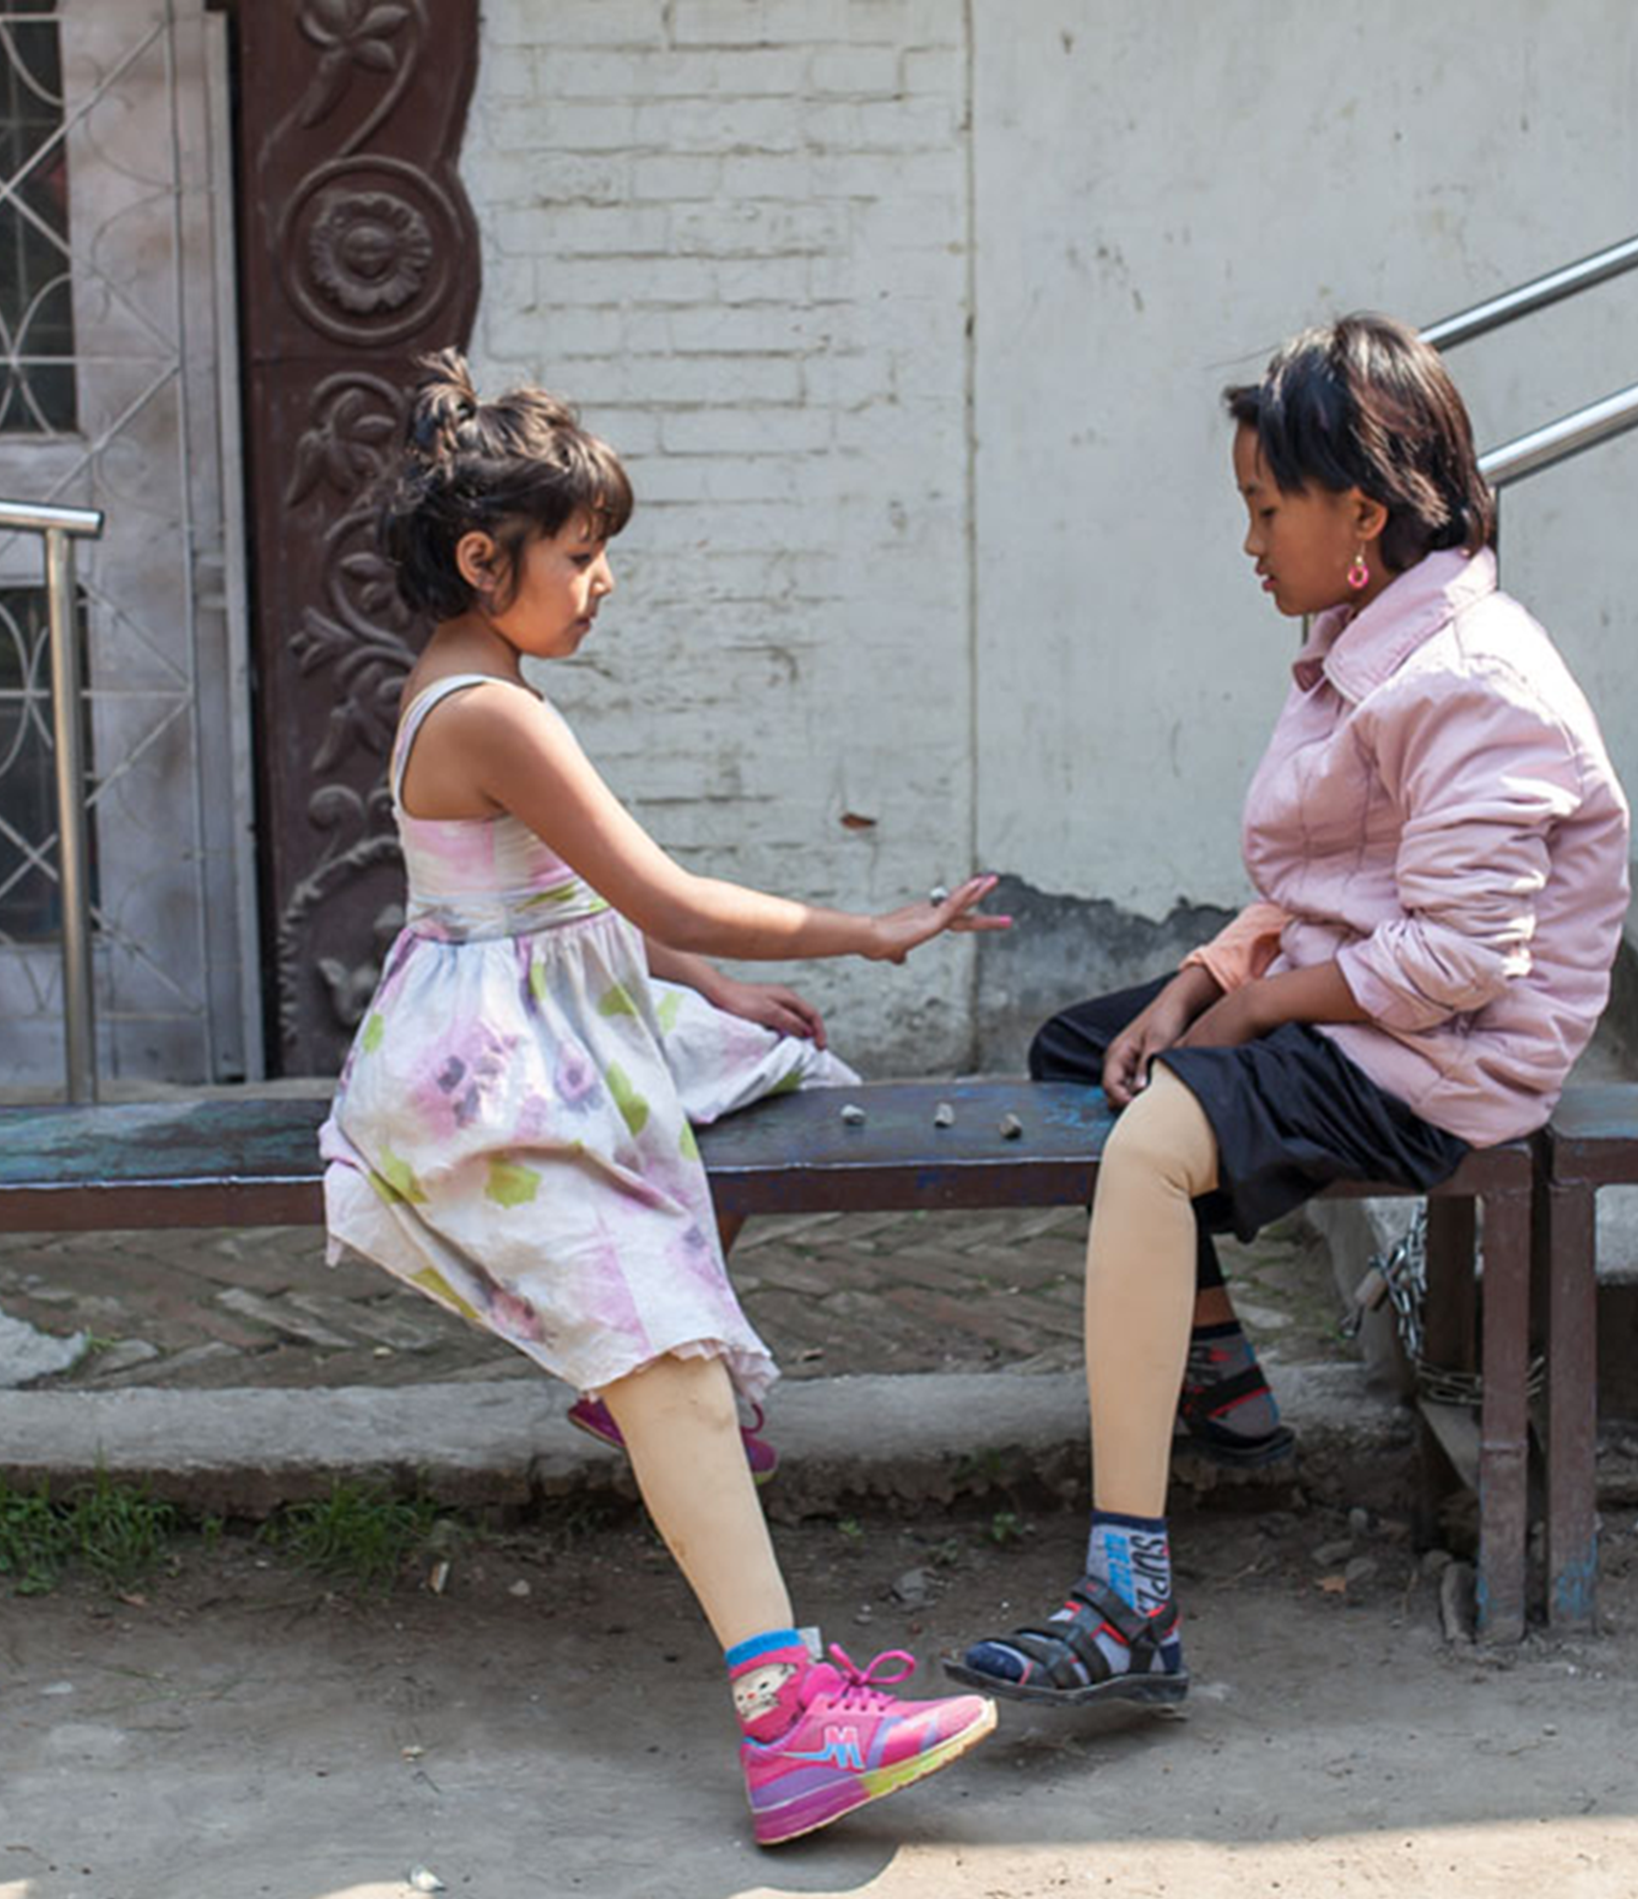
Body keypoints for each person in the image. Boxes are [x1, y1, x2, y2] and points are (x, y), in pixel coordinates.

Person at [318, 350, 1008, 1842]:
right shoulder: (486, 713)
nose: (604, 580)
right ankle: (790, 1718)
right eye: (581, 554)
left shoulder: (485, 684)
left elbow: (586, 904)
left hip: (557, 1014)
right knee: (670, 1345)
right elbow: (653, 880)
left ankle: (629, 1379)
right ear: (482, 559)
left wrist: (711, 987)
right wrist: (863, 926)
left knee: (785, 1071)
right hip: (491, 1071)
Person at [947, 313, 1629, 1706]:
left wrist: (1249, 1023)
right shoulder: (1365, 636)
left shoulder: (1473, 683)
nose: (1248, 541)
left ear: (1359, 510)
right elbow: (1320, 888)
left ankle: (1128, 1597)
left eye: (1265, 510)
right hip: (1365, 1004)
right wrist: (1205, 981)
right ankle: (1226, 1389)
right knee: (1088, 1048)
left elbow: (1456, 963)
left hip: (1442, 1058)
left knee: (1152, 1135)